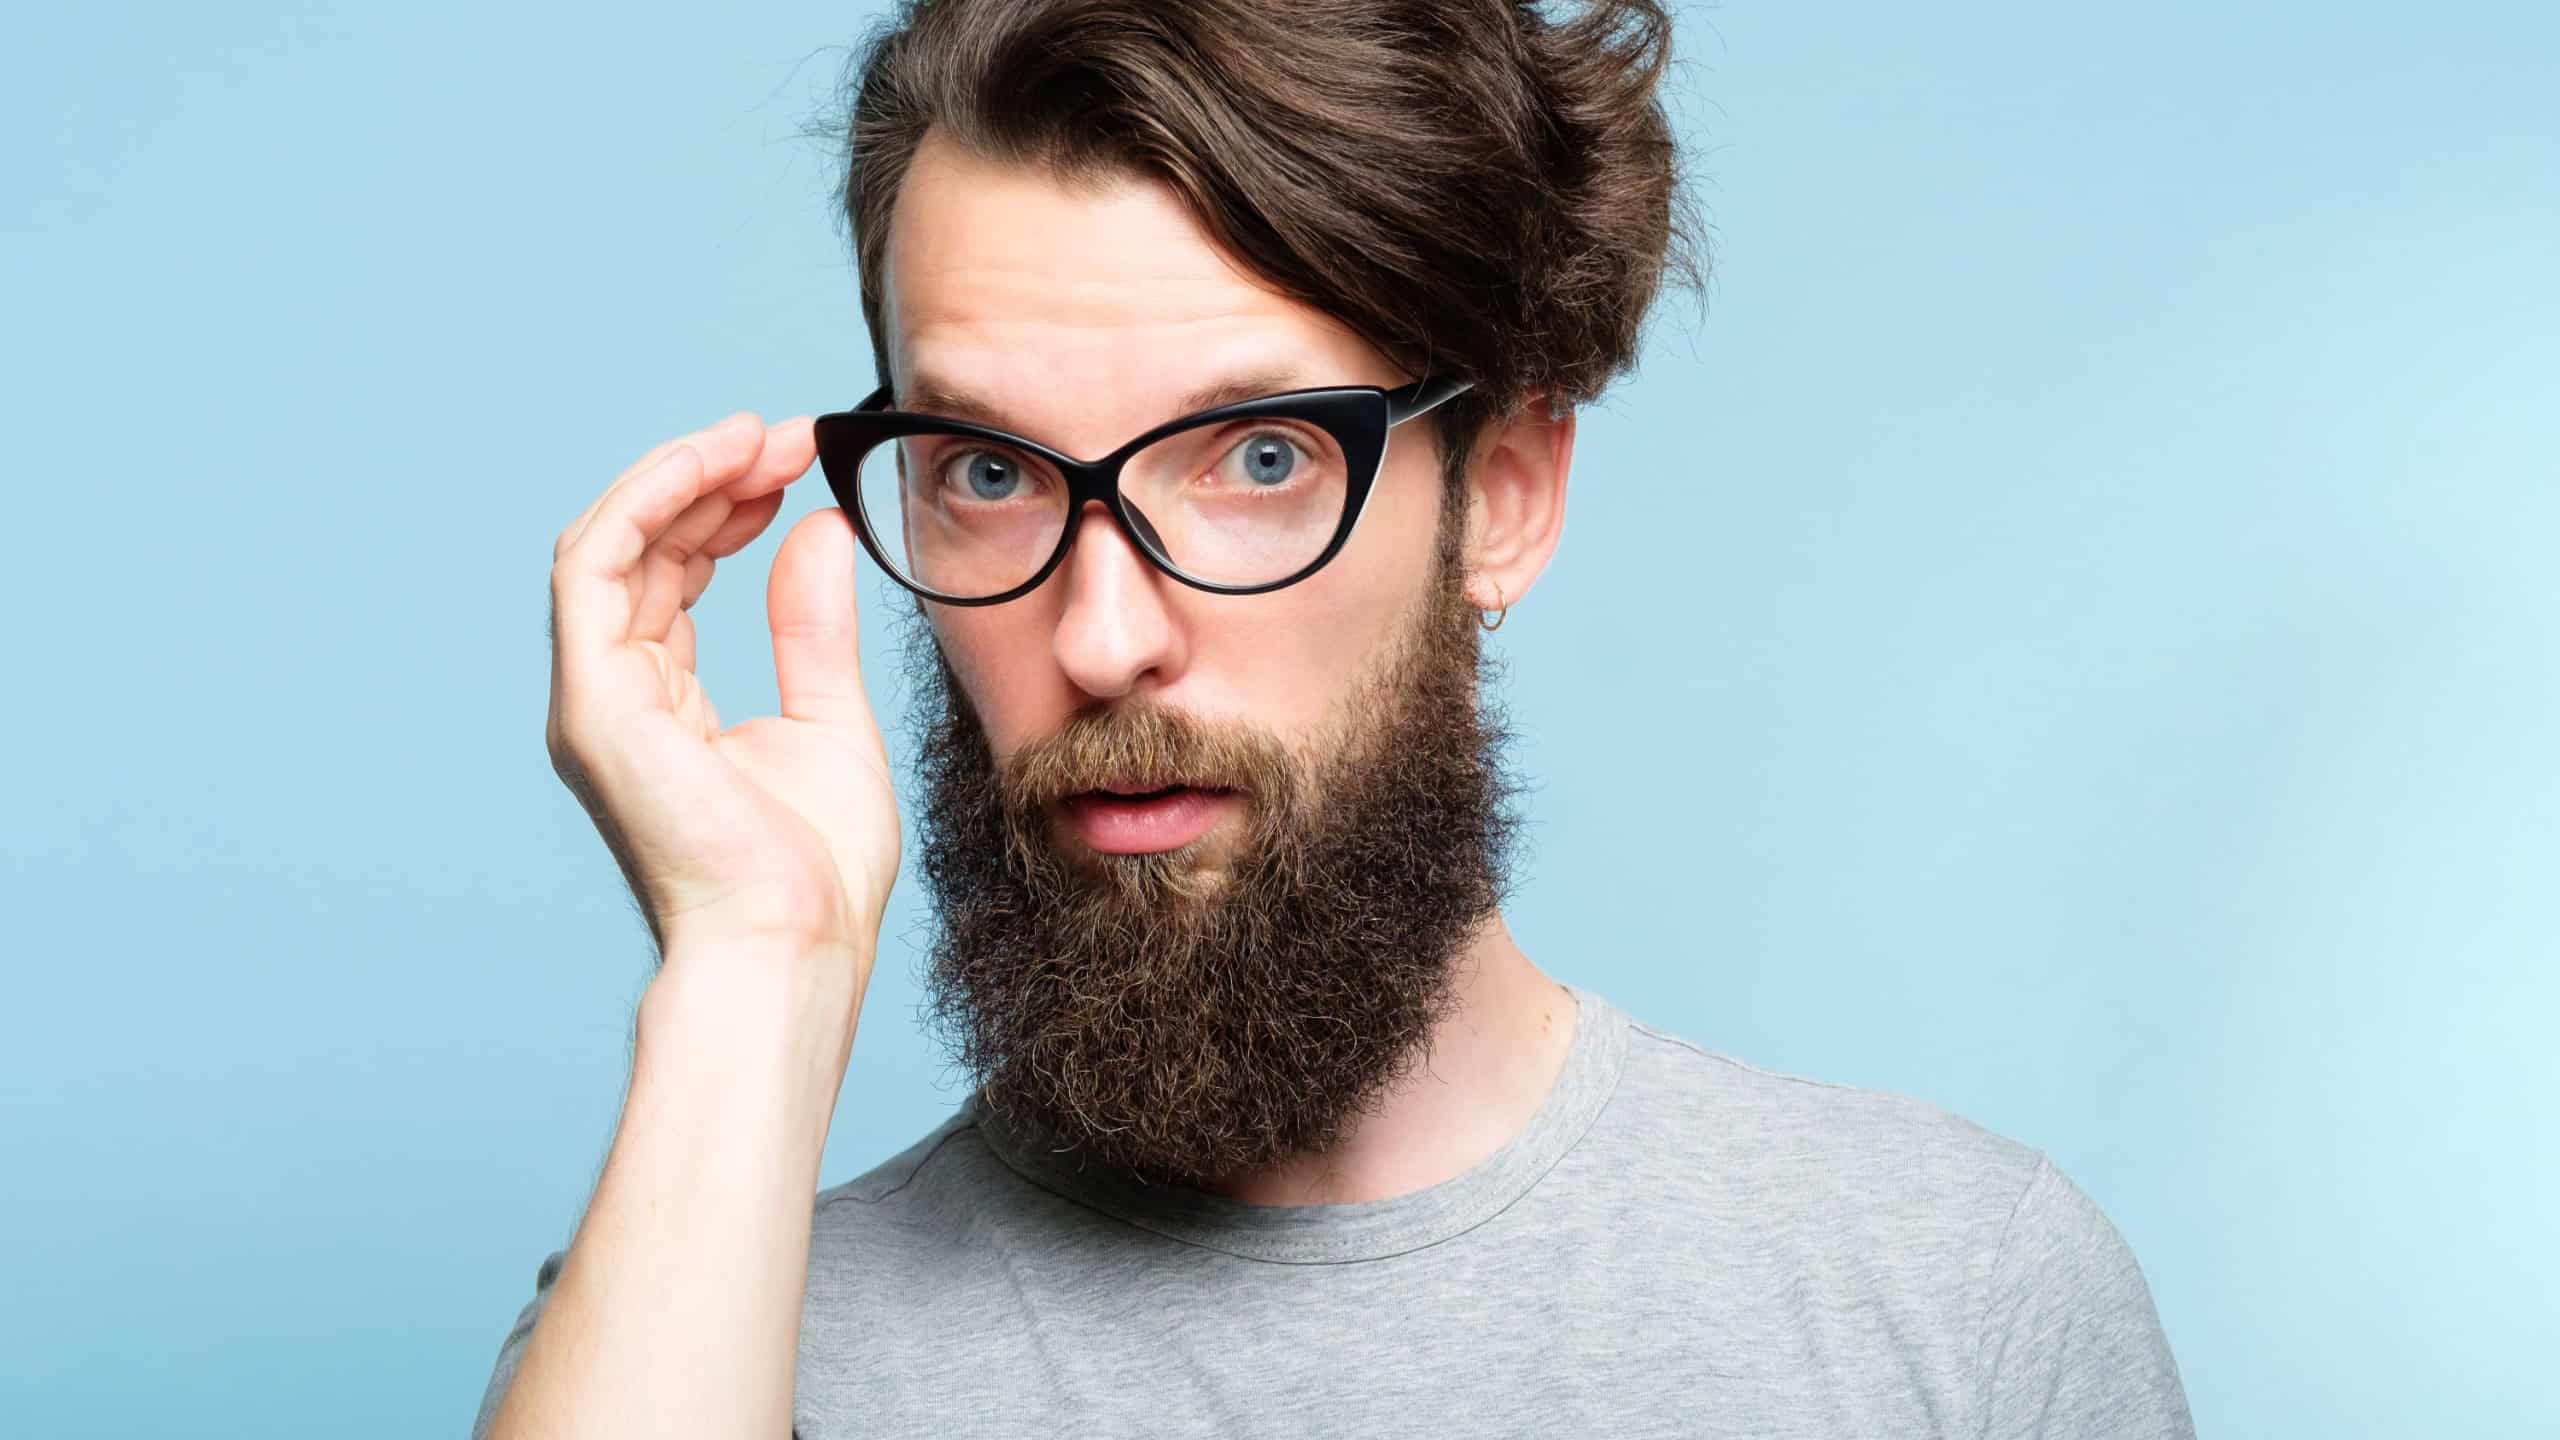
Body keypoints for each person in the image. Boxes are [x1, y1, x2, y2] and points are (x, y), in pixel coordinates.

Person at [476, 2, 2194, 1435]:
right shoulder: (705, 1338)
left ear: (1501, 492)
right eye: (991, 473)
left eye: (1262, 458)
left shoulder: (1950, 1305)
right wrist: (751, 970)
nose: (1102, 635)